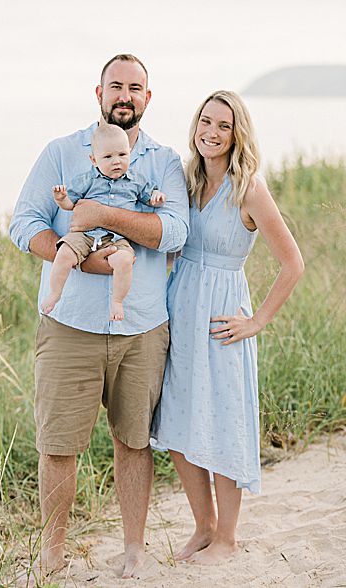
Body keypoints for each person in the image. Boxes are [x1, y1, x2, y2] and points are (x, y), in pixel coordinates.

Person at [7, 53, 189, 580]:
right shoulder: (61, 152)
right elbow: (25, 223)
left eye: (135, 88)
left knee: (134, 443)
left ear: (148, 99)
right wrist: (82, 259)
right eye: (116, 86)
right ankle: (53, 552)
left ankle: (134, 548)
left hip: (143, 329)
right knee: (59, 444)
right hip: (69, 327)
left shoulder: (163, 161)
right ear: (99, 93)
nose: (125, 96)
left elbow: (175, 232)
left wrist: (103, 216)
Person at [150, 90, 303, 565]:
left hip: (221, 318)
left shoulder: (249, 187)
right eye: (206, 122)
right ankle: (204, 527)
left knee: (222, 423)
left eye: (223, 125)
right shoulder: (187, 178)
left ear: (238, 134)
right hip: (180, 310)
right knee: (175, 423)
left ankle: (229, 539)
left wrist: (257, 321)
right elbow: (172, 241)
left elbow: (292, 263)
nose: (211, 133)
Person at [43, 123, 167, 321]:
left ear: (130, 154)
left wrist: (156, 197)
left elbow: (148, 196)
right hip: (84, 235)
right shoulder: (87, 180)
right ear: (94, 160)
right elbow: (70, 204)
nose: (116, 161)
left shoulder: (136, 180)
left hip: (116, 238)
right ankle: (55, 293)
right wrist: (61, 199)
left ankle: (117, 302)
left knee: (125, 261)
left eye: (122, 155)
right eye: (108, 157)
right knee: (64, 253)